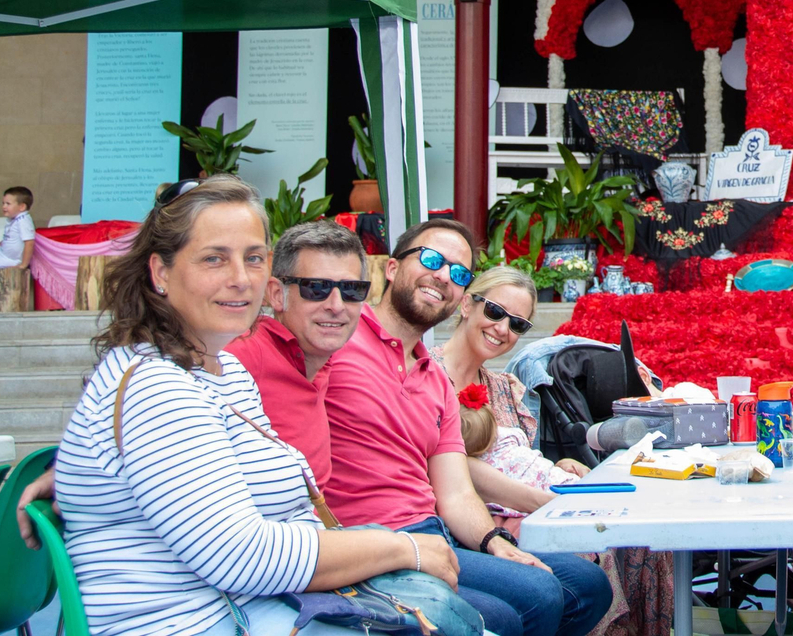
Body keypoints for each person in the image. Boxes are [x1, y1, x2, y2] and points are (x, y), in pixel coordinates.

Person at [45, 176, 461, 636]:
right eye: (214, 259)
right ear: (160, 272)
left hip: (264, 609)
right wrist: (405, 549)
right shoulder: (157, 389)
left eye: (254, 258)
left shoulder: (222, 372)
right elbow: (239, 557)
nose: (241, 279)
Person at [323, 217, 612, 636]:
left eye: (458, 273)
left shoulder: (433, 378)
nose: (442, 276)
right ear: (390, 267)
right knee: (535, 597)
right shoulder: (338, 340)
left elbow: (456, 490)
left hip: (435, 528)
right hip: (366, 539)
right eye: (431, 259)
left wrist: (494, 542)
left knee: (585, 585)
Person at [436, 266, 673, 636]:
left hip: (529, 503)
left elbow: (521, 458)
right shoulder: (427, 376)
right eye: (495, 313)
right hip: (475, 518)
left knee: (641, 538)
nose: (502, 329)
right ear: (467, 304)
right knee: (595, 548)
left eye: (517, 324)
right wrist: (546, 502)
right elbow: (455, 470)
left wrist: (560, 464)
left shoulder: (504, 386)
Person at [227, 219, 370, 487]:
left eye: (352, 290)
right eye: (316, 288)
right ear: (277, 295)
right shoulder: (241, 358)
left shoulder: (324, 363)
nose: (336, 305)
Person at [0, 185, 35, 270]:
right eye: (3, 203)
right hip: (3, 253)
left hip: (11, 260)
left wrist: (24, 264)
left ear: (22, 207)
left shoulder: (23, 221)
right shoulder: (14, 219)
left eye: (8, 204)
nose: (4, 206)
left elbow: (29, 243)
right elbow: (9, 238)